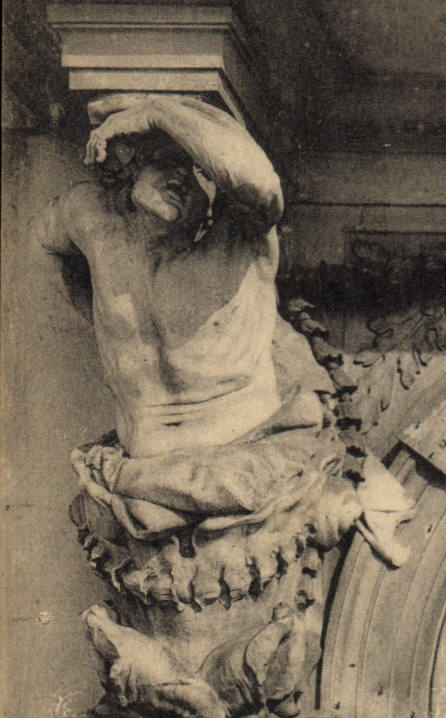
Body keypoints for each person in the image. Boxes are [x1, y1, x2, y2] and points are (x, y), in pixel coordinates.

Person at [37, 93, 409, 606]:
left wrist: (154, 112)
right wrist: (91, 306)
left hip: (242, 473)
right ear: (124, 178)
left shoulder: (236, 246)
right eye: (165, 165)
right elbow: (46, 239)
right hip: (135, 480)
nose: (181, 181)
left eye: (191, 174)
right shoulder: (96, 233)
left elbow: (257, 183)